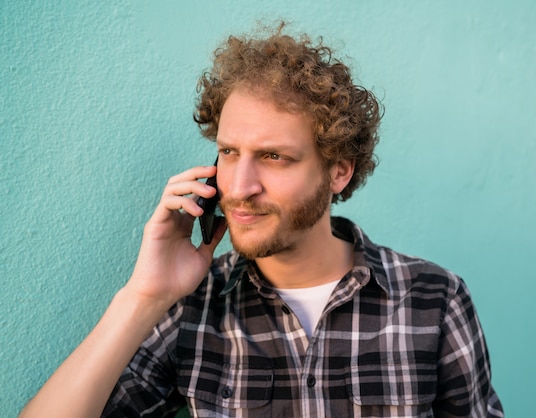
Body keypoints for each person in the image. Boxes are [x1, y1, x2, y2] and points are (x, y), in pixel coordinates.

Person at [21, 23, 504, 417]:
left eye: (274, 157)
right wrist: (143, 296)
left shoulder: (434, 300)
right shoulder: (194, 305)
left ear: (338, 170)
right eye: (229, 152)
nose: (240, 185)